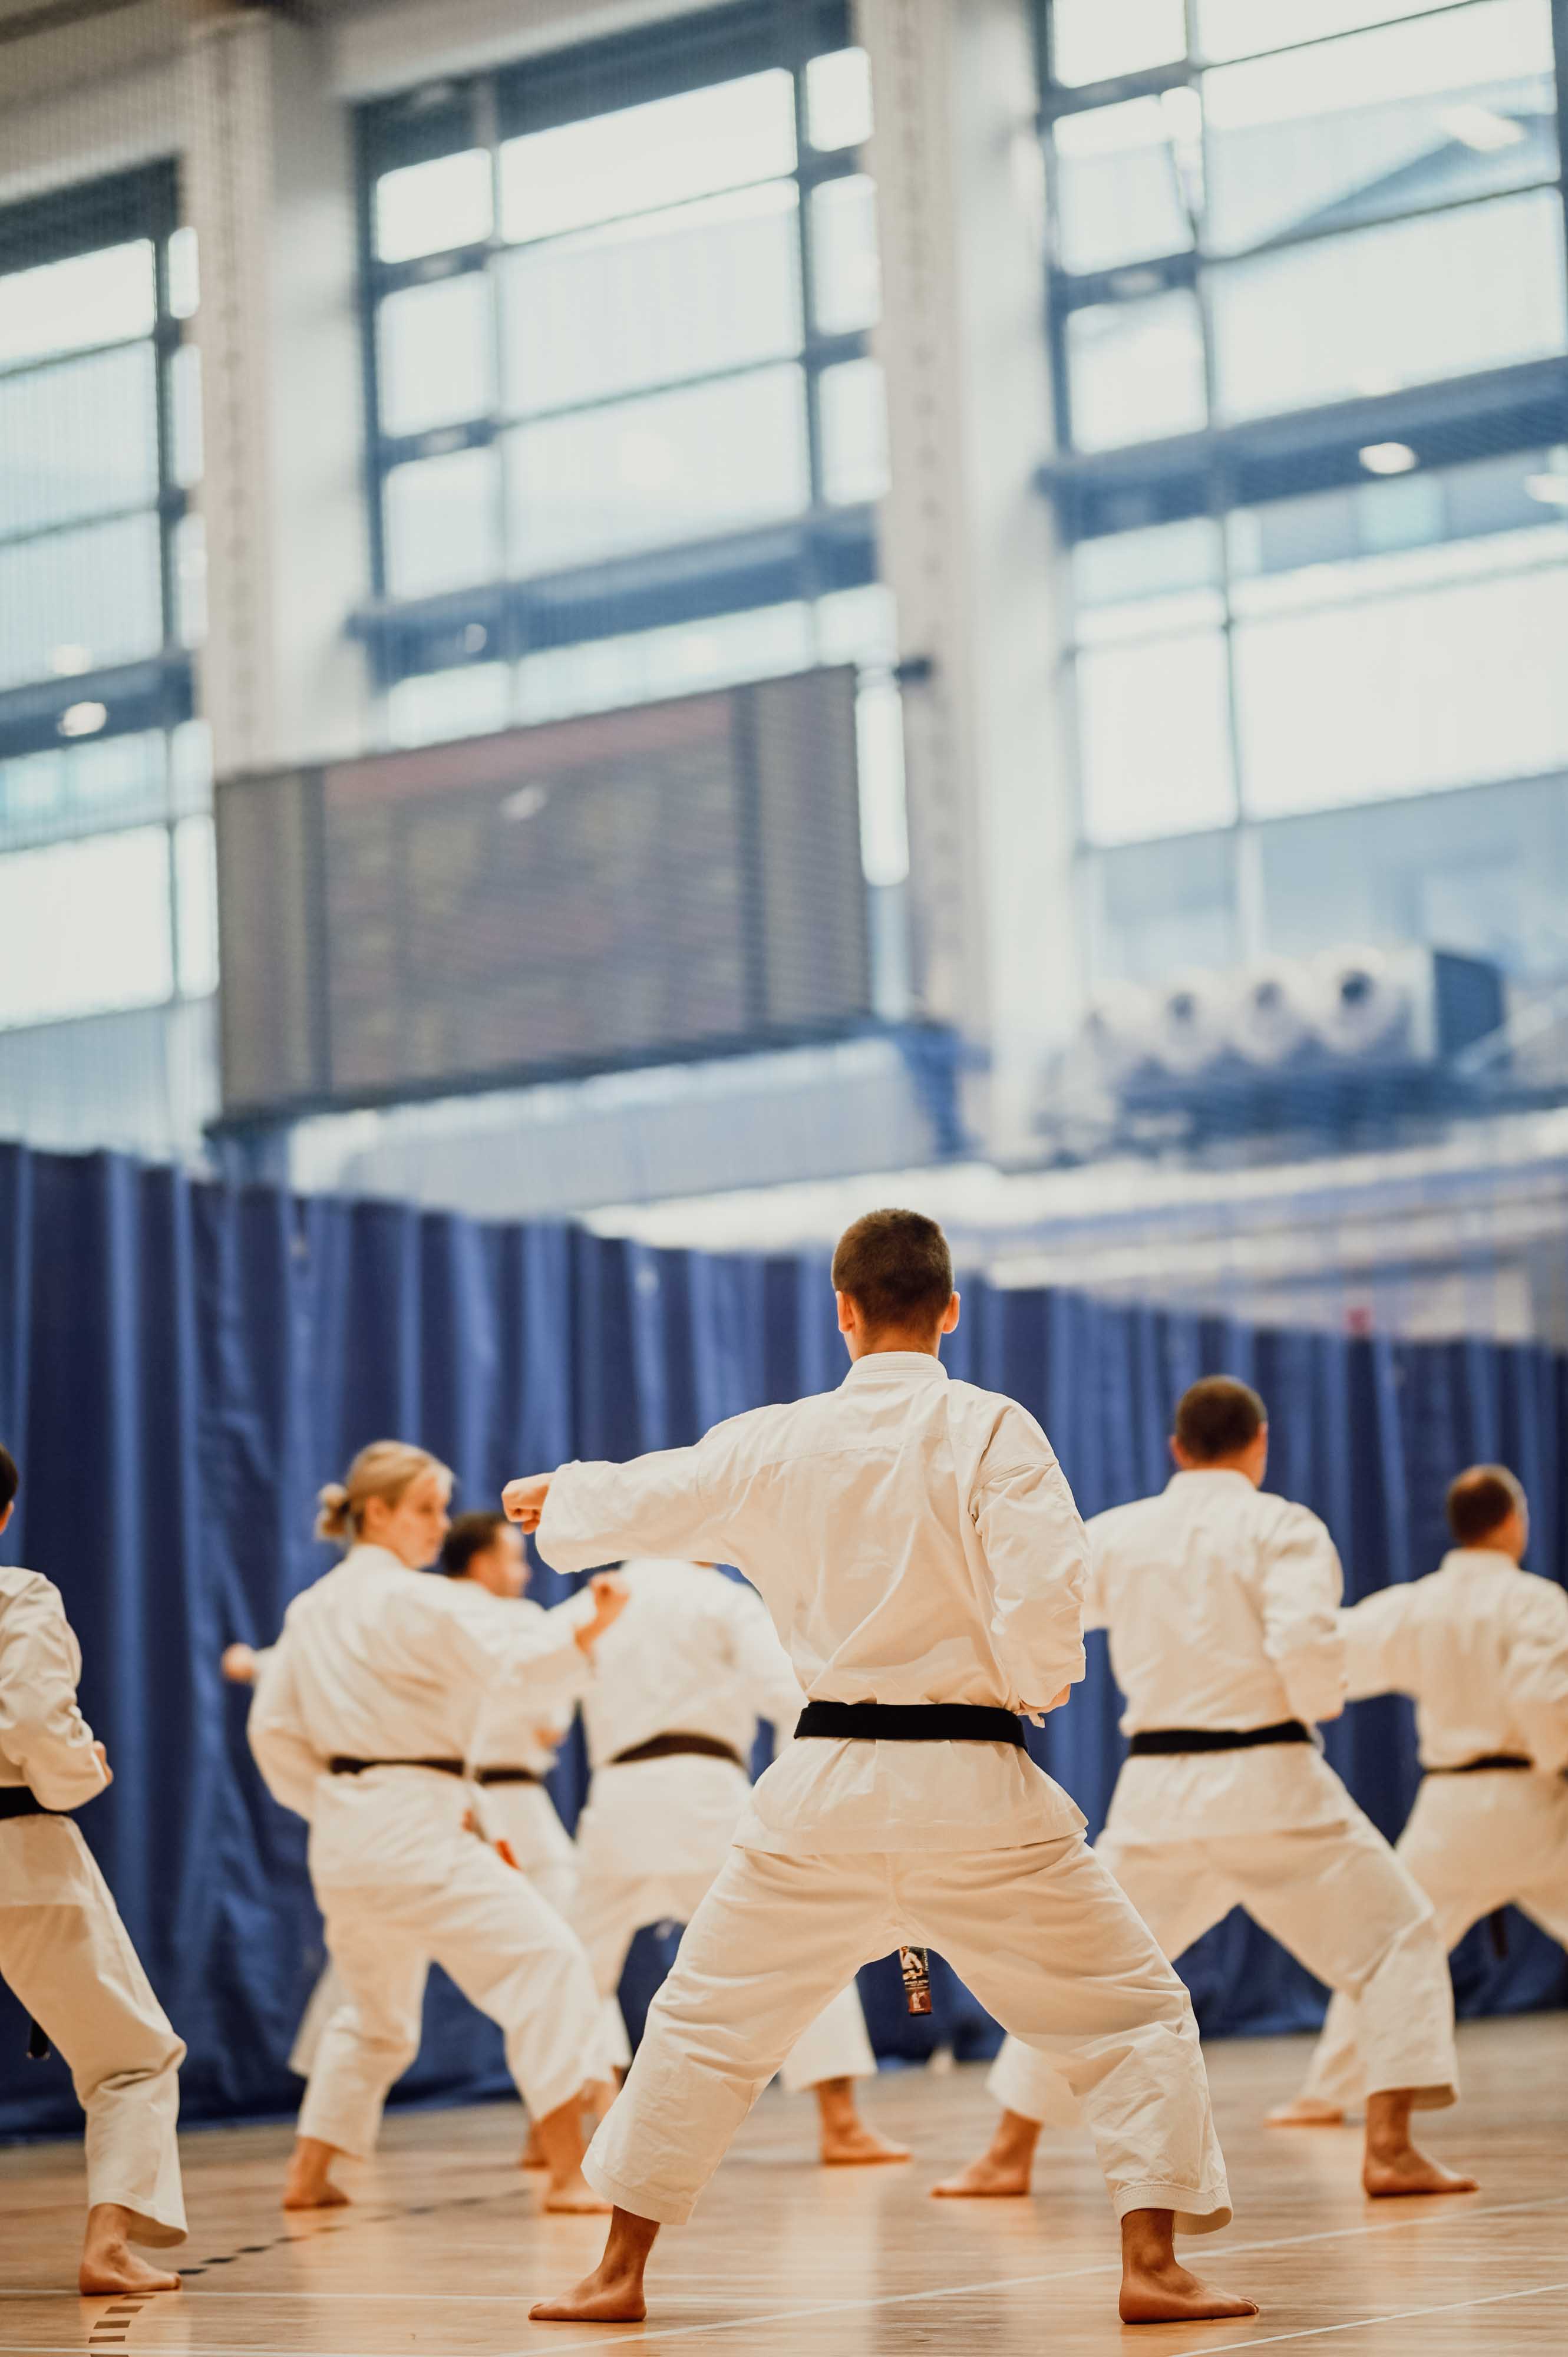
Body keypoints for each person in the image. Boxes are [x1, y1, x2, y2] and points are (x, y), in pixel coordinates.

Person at [507, 1209, 1256, 2330]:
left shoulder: (774, 1441)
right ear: (951, 1310)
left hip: (822, 1794)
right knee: (1133, 2016)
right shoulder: (995, 1429)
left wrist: (559, 1499)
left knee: (704, 2026)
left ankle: (618, 2273)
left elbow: (659, 1491)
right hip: (979, 1790)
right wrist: (1039, 1677)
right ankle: (1151, 2264)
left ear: (843, 1310)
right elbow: (1048, 1583)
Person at [939, 1376, 1475, 2211]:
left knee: (1086, 1975)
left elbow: (1038, 1613)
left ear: (1177, 1448)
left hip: (1157, 1795)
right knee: (1398, 1937)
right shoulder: (1281, 1526)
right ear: (1258, 1443)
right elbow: (1304, 1641)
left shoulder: (1118, 1535)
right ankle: (1390, 2148)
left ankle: (1007, 2154)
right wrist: (1318, 1697)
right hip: (1275, 1786)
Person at [247, 1440, 626, 2214]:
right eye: (426, 1509)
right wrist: (590, 1620)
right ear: (377, 1512)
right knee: (548, 1963)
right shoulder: (414, 1601)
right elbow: (514, 1658)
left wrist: (331, 1804)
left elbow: (272, 1734)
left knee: (376, 2019)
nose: (438, 1525)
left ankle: (310, 2173)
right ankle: (564, 2172)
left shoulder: (309, 1609)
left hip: (348, 1836)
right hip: (415, 1823)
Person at [569, 1553, 907, 2168]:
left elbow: (538, 1669)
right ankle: (841, 2123)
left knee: (573, 1968)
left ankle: (557, 2127)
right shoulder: (720, 1599)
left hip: (616, 1801)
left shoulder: (601, 1594)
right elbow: (789, 1695)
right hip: (704, 1798)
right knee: (798, 1946)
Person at [1274, 1464, 1568, 2125]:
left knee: (1396, 1941)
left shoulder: (1418, 1603)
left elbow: (1334, 1649)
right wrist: (1560, 1758)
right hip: (1534, 1799)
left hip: (1453, 1811)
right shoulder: (1538, 1601)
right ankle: (1326, 2091)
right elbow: (1547, 1697)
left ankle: (1324, 2091)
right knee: (1399, 1940)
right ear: (1512, 1522)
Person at [0, 1442, 187, 2295]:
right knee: (130, 2059)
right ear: (4, 1515)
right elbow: (39, 1722)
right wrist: (83, 1770)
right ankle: (107, 2247)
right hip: (18, 1855)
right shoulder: (17, 1592)